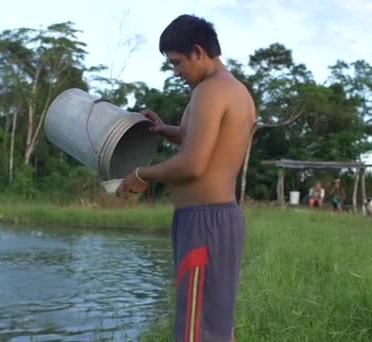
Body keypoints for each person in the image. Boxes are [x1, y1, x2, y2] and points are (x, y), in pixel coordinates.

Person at [117, 14, 256, 342]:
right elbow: (207, 142)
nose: (176, 72)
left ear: (198, 51)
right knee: (215, 325)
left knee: (196, 331)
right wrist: (166, 130)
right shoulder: (233, 90)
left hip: (204, 224)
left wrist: (140, 174)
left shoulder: (209, 92)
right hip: (213, 221)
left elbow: (194, 164)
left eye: (177, 63)